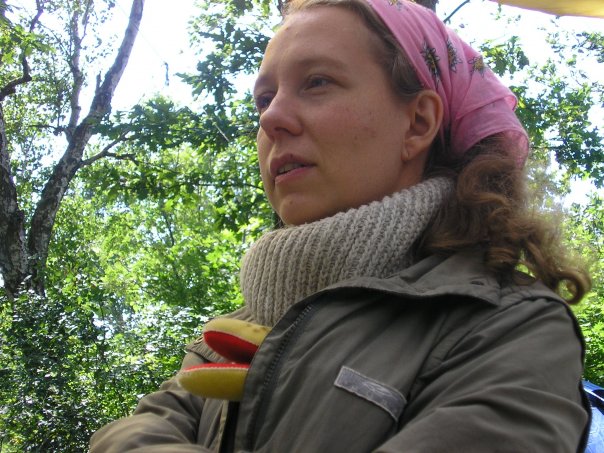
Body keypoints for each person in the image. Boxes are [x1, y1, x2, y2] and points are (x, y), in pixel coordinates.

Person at [90, 0, 591, 451]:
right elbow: (129, 432)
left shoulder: (510, 327)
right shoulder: (242, 326)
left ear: (418, 122)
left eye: (317, 82)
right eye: (264, 99)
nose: (271, 119)